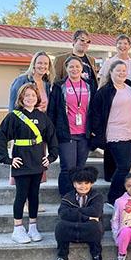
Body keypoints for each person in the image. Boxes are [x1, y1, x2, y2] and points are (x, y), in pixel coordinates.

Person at [0, 83, 58, 244]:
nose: (30, 98)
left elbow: (52, 138)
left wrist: (50, 157)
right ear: (21, 98)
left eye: (33, 95)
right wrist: (7, 159)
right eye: (27, 95)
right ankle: (17, 228)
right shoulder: (14, 116)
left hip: (37, 161)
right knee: (21, 195)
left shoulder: (43, 117)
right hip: (21, 162)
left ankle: (33, 227)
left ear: (37, 98)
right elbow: (0, 138)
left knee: (34, 195)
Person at [90, 60, 131, 205]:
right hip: (116, 133)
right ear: (110, 72)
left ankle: (126, 195)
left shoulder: (130, 85)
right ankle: (113, 198)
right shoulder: (104, 91)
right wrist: (97, 133)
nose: (122, 73)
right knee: (124, 166)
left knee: (130, 165)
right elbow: (95, 114)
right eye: (118, 70)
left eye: (124, 70)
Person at [48, 56, 95, 196]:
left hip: (84, 134)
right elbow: (52, 111)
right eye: (71, 67)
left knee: (80, 169)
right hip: (66, 133)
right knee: (68, 168)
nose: (75, 69)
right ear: (66, 68)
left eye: (77, 66)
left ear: (82, 68)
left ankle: (79, 196)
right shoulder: (59, 86)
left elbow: (95, 108)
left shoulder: (89, 85)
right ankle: (66, 197)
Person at [49, 167, 104, 260]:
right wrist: (86, 217)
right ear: (74, 184)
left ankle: (96, 255)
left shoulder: (97, 196)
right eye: (79, 183)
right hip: (73, 227)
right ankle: (62, 257)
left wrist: (74, 213)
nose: (83, 186)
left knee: (95, 226)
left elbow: (96, 212)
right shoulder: (68, 196)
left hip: (88, 228)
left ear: (91, 183)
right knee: (60, 226)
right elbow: (63, 213)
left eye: (86, 183)